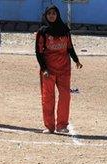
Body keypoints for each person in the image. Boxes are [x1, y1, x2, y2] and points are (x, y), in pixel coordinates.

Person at [35, 5, 83, 134]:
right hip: (48, 70)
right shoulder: (42, 32)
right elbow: (39, 52)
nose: (51, 15)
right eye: (49, 13)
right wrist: (44, 68)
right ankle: (49, 126)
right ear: (46, 15)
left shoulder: (65, 30)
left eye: (54, 13)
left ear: (57, 15)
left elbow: (69, 47)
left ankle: (62, 125)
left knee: (65, 96)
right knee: (48, 98)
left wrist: (76, 59)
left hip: (64, 69)